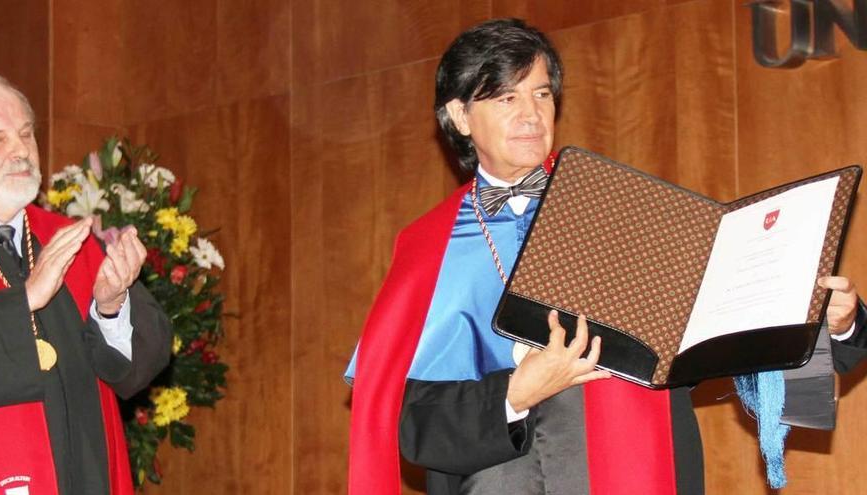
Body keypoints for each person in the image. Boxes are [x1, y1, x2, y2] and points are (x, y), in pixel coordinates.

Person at [346, 18, 867, 495]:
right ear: (460, 116)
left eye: (542, 94)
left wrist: (829, 324)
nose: (530, 115)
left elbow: (719, 339)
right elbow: (410, 424)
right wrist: (513, 394)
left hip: (644, 469)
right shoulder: (428, 246)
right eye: (505, 98)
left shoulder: (631, 210)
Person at [0, 71, 171, 495]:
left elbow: (137, 371)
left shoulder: (70, 240)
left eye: (27, 134)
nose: (20, 151)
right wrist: (25, 301)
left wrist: (111, 306)